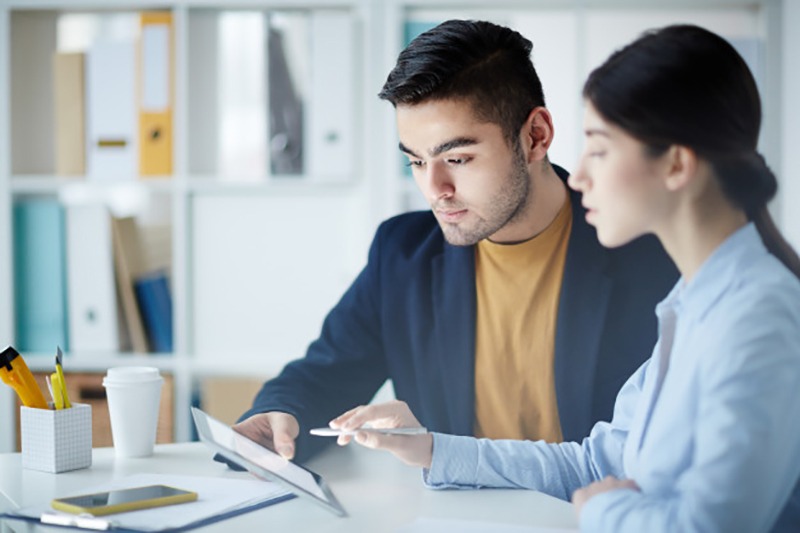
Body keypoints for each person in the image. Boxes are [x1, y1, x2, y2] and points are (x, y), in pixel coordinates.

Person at [330, 24, 800, 532]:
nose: (578, 176)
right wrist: (430, 448)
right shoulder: (692, 301)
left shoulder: (757, 314)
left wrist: (604, 509)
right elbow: (597, 463)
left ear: (676, 164)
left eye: (598, 149)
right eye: (417, 162)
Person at [229, 19, 676, 464]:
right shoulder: (402, 252)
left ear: (535, 136)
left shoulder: (651, 251)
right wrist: (280, 412)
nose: (434, 187)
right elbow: (328, 373)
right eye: (416, 162)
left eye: (457, 158)